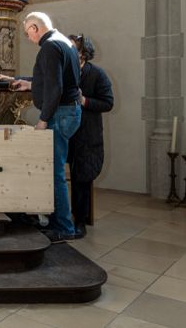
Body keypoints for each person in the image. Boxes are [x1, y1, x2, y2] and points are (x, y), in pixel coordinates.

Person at [4, 12, 81, 243]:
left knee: (54, 172)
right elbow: (56, 79)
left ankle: (64, 227)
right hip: (69, 111)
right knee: (53, 169)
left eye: (28, 33)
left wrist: (43, 120)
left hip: (59, 114)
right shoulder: (64, 42)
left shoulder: (49, 47)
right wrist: (29, 83)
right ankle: (57, 220)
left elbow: (56, 88)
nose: (29, 38)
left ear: (36, 28)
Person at [67, 35, 114, 235]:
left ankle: (80, 222)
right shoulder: (64, 71)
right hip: (65, 132)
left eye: (72, 50)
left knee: (82, 178)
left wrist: (84, 100)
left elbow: (108, 103)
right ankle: (58, 217)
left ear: (83, 53)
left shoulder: (97, 74)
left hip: (87, 136)